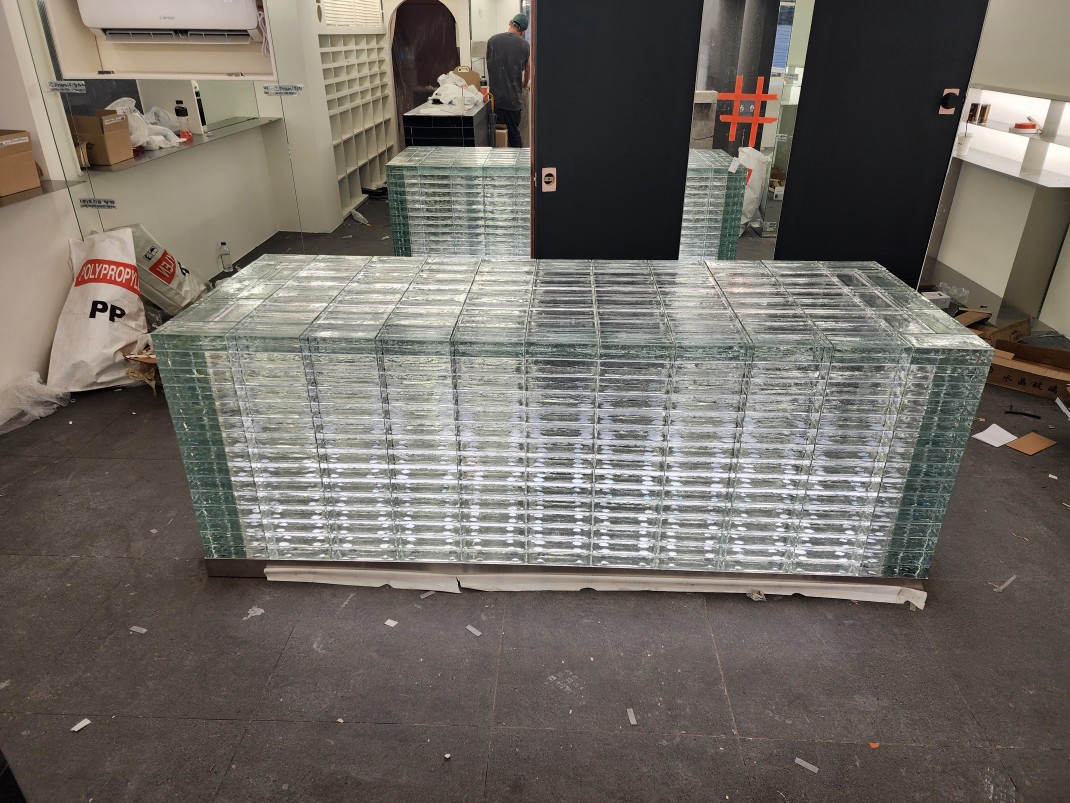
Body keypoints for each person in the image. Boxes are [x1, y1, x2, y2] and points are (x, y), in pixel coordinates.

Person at [486, 13, 530, 148]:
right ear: (523, 32)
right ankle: (519, 161)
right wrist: (524, 85)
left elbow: (489, 63)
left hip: (495, 101)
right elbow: (528, 69)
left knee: (495, 137)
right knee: (514, 134)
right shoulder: (524, 45)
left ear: (510, 22)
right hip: (513, 102)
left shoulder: (492, 40)